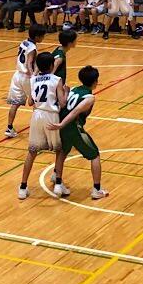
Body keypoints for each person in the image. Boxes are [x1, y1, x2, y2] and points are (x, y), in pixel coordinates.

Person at [47, 66, 109, 200]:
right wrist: (62, 124)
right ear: (95, 81)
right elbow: (75, 112)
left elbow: (62, 104)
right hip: (73, 127)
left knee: (62, 152)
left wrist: (59, 123)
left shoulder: (74, 89)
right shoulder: (90, 97)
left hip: (62, 125)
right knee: (95, 155)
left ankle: (57, 181)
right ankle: (97, 189)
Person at [18, 52, 68, 200]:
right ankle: (58, 183)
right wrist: (66, 92)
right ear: (52, 65)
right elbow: (62, 103)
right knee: (59, 150)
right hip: (51, 115)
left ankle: (23, 187)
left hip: (37, 115)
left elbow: (30, 102)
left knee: (32, 151)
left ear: (38, 66)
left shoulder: (33, 80)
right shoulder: (56, 80)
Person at [5, 24, 46, 138]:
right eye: (42, 36)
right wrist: (33, 75)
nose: (43, 38)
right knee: (37, 103)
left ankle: (9, 127)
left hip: (17, 75)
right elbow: (29, 62)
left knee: (15, 104)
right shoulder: (32, 48)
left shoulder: (24, 42)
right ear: (37, 36)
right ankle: (37, 129)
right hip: (27, 78)